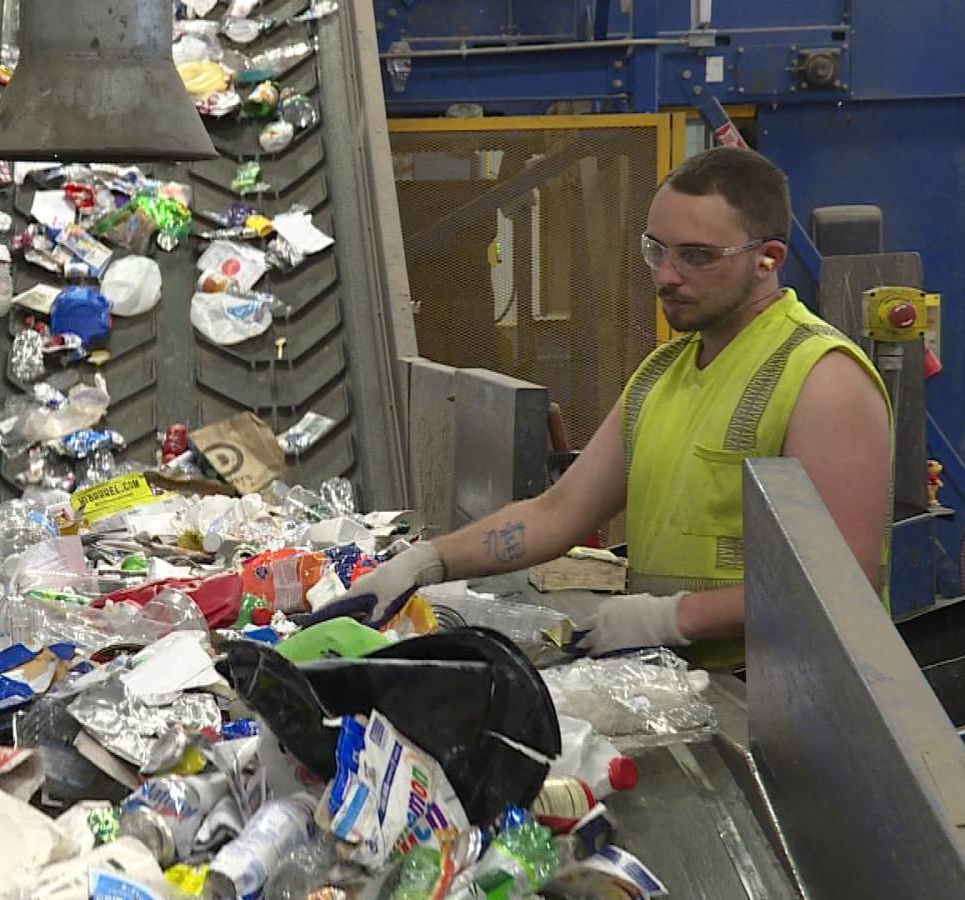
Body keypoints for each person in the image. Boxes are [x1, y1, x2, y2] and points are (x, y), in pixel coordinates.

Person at [339, 146, 891, 669]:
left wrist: (671, 618)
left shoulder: (822, 379)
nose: (667, 275)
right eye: (657, 249)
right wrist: (425, 562)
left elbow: (842, 585)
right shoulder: (661, 374)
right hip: (688, 682)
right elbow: (556, 514)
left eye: (696, 256)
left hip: (797, 709)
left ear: (768, 258)